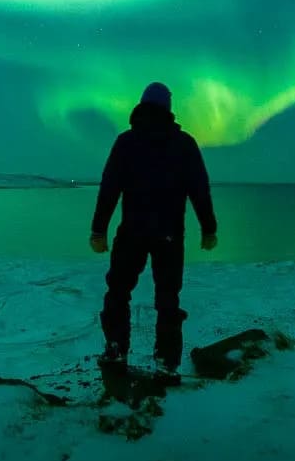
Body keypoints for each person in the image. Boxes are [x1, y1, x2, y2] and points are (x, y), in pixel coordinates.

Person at [90, 81, 218, 371]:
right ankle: (166, 360)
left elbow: (109, 189)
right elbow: (200, 189)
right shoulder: (184, 144)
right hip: (170, 235)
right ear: (168, 109)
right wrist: (208, 228)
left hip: (132, 231)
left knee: (118, 291)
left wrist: (99, 230)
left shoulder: (126, 142)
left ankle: (115, 349)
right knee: (168, 296)